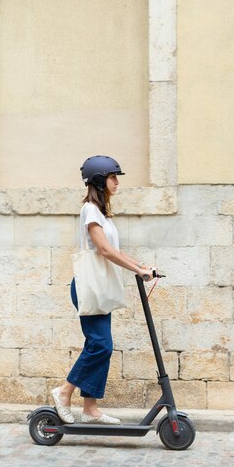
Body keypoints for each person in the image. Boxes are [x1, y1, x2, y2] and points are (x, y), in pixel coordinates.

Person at [52, 155, 153, 425]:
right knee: (100, 345)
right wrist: (136, 270)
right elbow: (104, 250)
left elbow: (115, 250)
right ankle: (63, 393)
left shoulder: (102, 214)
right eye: (113, 177)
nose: (117, 183)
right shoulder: (90, 211)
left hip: (101, 288)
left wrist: (141, 267)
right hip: (89, 287)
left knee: (99, 345)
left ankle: (90, 409)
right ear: (99, 180)